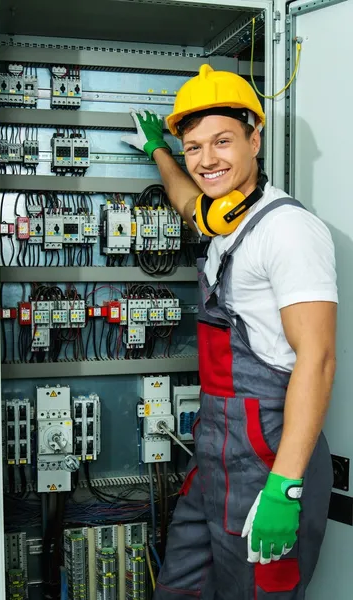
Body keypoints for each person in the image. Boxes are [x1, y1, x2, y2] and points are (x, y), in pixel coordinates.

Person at [121, 64, 337, 599]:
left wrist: (285, 488)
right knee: (182, 586)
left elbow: (319, 359)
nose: (207, 160)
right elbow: (184, 198)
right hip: (216, 450)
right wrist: (159, 152)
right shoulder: (222, 216)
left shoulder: (287, 230)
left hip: (267, 452)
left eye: (222, 141)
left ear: (254, 137)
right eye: (194, 147)